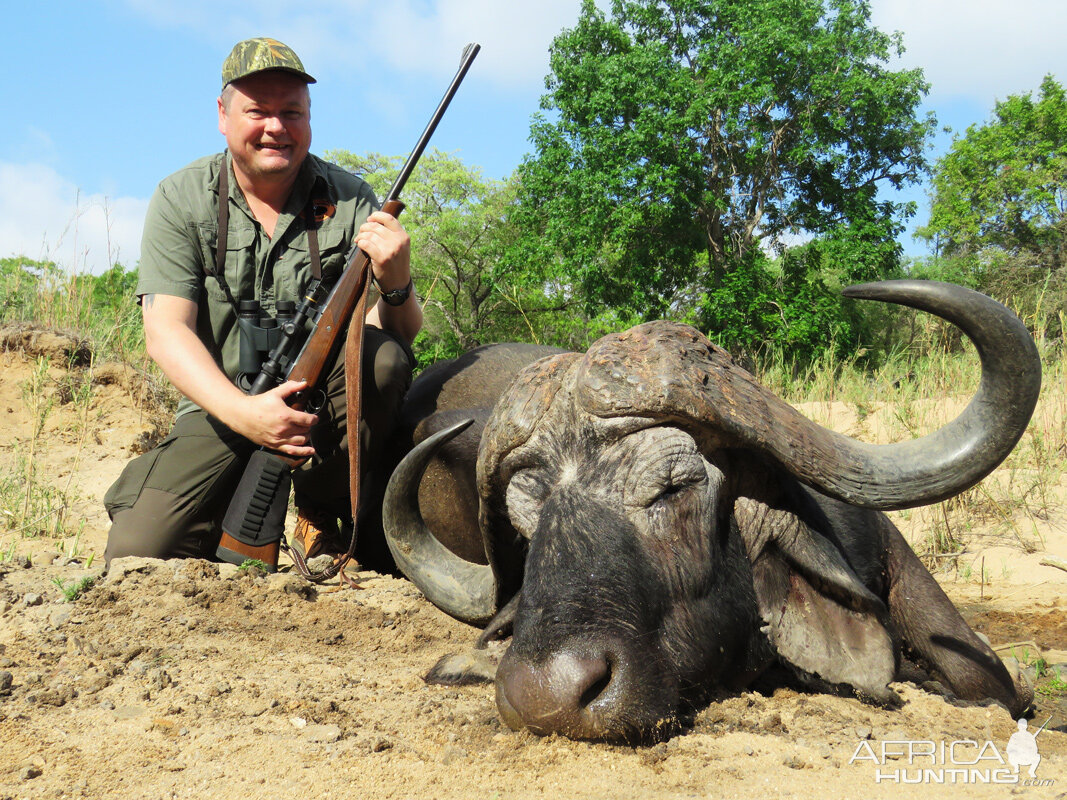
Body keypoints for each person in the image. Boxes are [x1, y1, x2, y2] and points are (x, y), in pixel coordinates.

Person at [104, 37, 421, 567]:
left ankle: (321, 513)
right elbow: (165, 333)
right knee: (140, 551)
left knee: (383, 359)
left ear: (309, 119)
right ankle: (233, 507)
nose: (277, 126)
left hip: (319, 409)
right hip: (220, 405)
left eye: (292, 112)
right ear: (223, 116)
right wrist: (248, 415)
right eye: (259, 111)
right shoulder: (180, 197)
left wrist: (397, 282)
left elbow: (392, 333)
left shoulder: (352, 200)